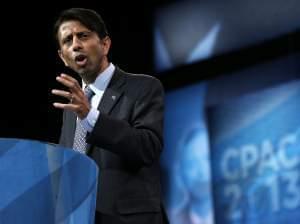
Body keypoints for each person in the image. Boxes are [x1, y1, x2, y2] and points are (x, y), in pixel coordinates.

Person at [51, 7, 168, 224]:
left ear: (105, 44)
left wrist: (90, 117)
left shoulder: (143, 87)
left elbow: (147, 147)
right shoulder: (72, 110)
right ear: (63, 58)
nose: (76, 44)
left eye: (83, 36)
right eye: (67, 40)